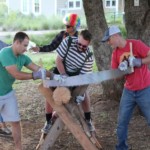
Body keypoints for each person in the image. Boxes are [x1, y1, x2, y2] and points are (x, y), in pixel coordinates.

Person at [31, 13, 82, 133]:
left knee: (77, 95)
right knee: (48, 90)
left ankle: (86, 121)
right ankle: (48, 121)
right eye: (65, 25)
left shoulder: (79, 39)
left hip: (72, 72)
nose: (66, 28)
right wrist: (39, 49)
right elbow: (52, 46)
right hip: (59, 69)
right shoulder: (62, 35)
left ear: (75, 27)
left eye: (68, 26)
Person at [101, 25, 150, 150]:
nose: (107, 42)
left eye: (108, 39)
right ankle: (122, 148)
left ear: (116, 36)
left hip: (145, 89)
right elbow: (115, 77)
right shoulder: (115, 53)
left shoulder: (136, 44)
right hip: (128, 91)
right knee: (122, 123)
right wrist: (121, 71)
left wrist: (139, 61)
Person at [0, 31, 51, 150]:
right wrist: (34, 75)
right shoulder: (5, 53)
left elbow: (38, 69)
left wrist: (54, 76)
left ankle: (19, 148)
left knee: (15, 122)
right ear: (17, 42)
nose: (26, 48)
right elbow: (16, 74)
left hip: (7, 92)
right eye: (24, 45)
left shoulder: (23, 58)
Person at [41, 29, 95, 134]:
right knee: (49, 92)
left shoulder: (89, 57)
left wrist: (79, 92)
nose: (81, 47)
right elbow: (58, 60)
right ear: (78, 38)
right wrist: (63, 75)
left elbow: (83, 78)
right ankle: (48, 121)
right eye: (79, 44)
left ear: (89, 44)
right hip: (61, 71)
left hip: (76, 78)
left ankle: (88, 120)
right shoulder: (68, 41)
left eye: (84, 46)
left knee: (84, 95)